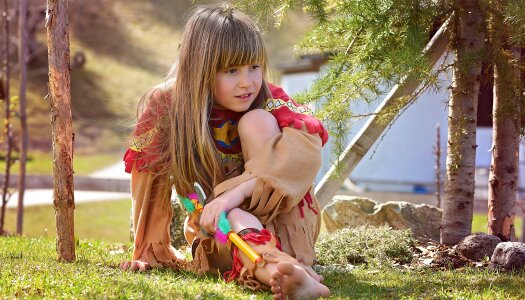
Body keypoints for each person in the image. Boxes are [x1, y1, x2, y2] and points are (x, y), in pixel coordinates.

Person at [119, 4, 330, 299]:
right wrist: (149, 248)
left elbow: (305, 155)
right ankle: (288, 273)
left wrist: (235, 195)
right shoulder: (169, 106)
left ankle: (287, 265)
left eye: (254, 67)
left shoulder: (269, 100)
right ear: (200, 69)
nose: (247, 82)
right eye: (231, 71)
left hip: (284, 227)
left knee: (257, 122)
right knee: (230, 219)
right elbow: (149, 176)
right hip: (216, 232)